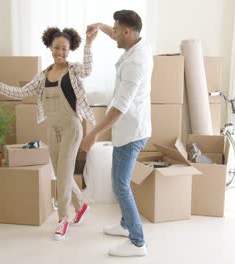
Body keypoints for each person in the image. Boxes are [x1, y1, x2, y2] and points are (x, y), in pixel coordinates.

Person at [0, 27, 97, 241]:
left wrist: (88, 44)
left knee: (63, 172)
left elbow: (88, 69)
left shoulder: (74, 70)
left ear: (70, 50)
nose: (60, 52)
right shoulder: (43, 76)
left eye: (65, 49)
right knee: (62, 174)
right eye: (57, 47)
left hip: (71, 127)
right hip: (52, 128)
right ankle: (80, 205)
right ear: (50, 47)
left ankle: (63, 219)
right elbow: (21, 92)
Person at [81, 10, 153, 257]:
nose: (113, 33)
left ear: (127, 32)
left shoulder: (135, 63)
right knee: (119, 182)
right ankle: (125, 226)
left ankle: (137, 242)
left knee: (121, 186)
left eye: (115, 29)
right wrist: (100, 26)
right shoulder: (137, 45)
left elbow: (119, 109)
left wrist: (93, 135)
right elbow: (116, 36)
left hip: (130, 130)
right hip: (131, 127)